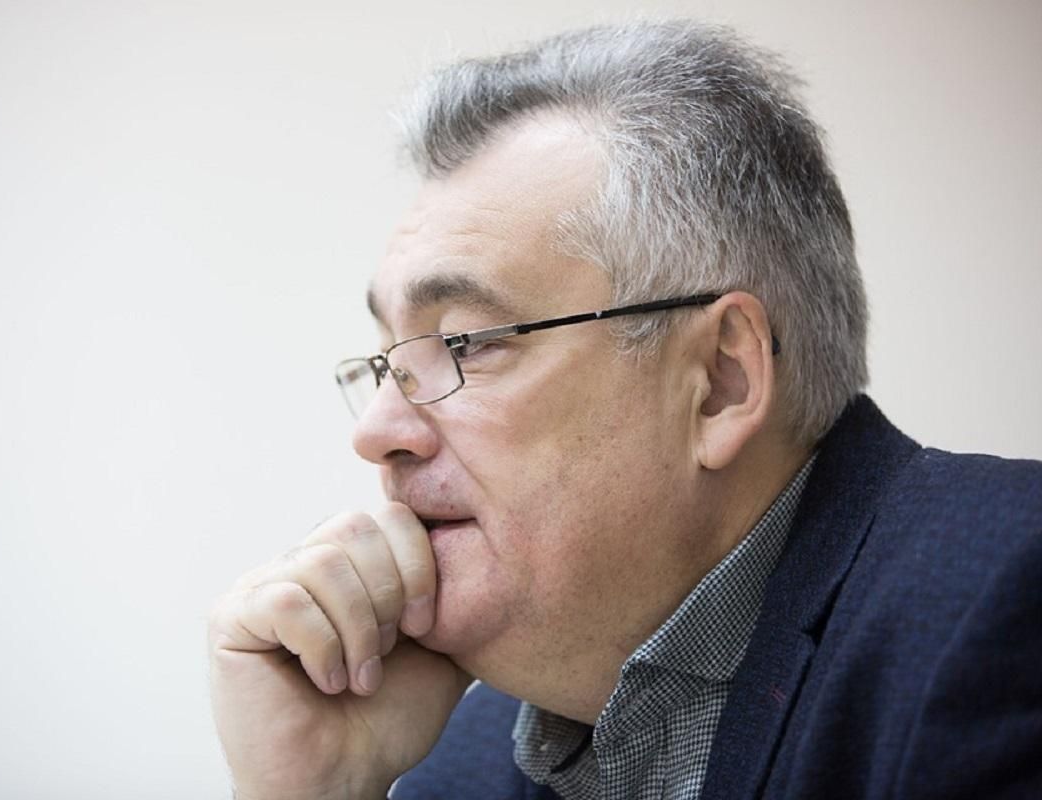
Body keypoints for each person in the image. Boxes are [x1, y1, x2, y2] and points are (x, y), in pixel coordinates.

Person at [207, 20, 1042, 800]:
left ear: (719, 381)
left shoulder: (1004, 605)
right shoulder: (455, 762)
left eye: (464, 342)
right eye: (389, 359)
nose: (376, 433)